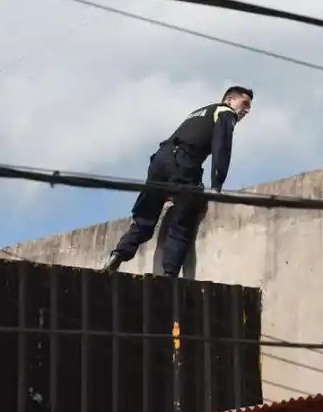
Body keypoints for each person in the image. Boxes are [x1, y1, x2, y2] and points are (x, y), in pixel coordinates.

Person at [102, 85, 254, 277]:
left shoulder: (200, 112)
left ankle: (119, 253)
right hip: (183, 160)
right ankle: (169, 275)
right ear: (229, 101)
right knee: (184, 215)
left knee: (145, 216)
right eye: (245, 104)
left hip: (160, 159)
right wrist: (217, 185)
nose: (246, 111)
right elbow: (222, 147)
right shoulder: (225, 112)